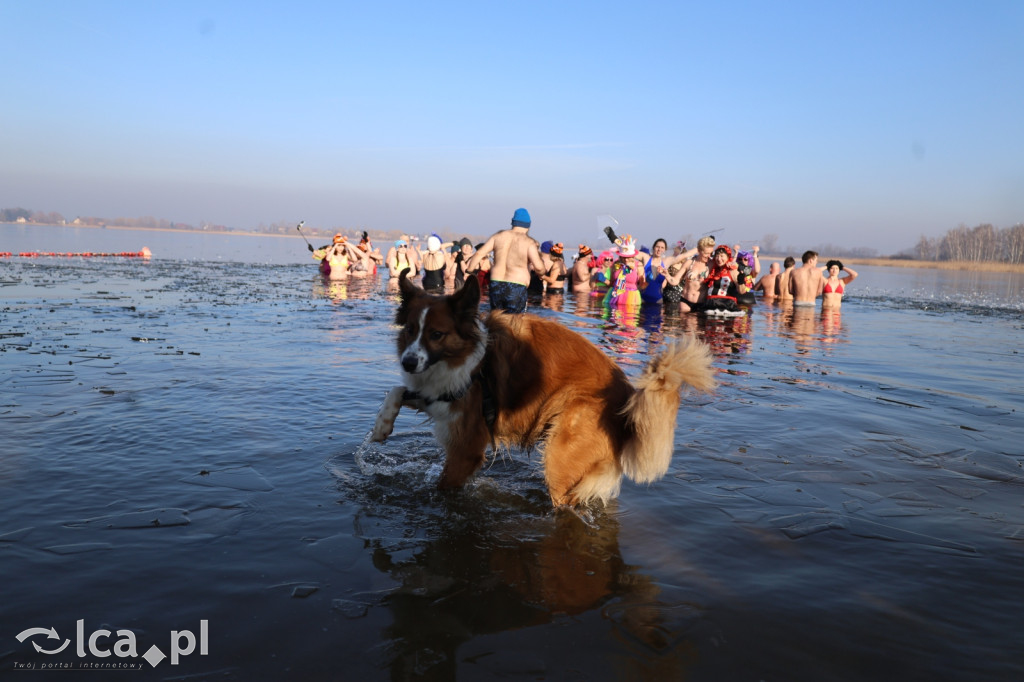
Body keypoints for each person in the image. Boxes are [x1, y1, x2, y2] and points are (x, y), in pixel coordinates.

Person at [465, 208, 545, 314]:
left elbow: (479, 253)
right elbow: (539, 267)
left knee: (496, 321)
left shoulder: (498, 237)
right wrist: (542, 273)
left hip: (496, 285)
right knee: (514, 323)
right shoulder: (528, 242)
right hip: (516, 286)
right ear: (528, 226)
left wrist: (469, 271)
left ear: (513, 223)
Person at [662, 235, 715, 313]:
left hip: (701, 303)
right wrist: (667, 275)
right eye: (707, 253)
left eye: (711, 253)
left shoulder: (712, 265)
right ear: (699, 251)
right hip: (685, 302)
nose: (709, 256)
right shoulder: (689, 263)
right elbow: (675, 281)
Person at [604, 235, 646, 308]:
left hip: (631, 297)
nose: (626, 260)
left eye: (628, 257)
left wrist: (646, 280)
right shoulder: (616, 264)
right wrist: (602, 280)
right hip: (615, 295)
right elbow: (611, 283)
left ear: (633, 256)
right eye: (624, 257)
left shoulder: (638, 265)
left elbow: (642, 286)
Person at [701, 245, 741, 314]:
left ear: (728, 257)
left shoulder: (733, 271)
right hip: (709, 305)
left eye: (722, 256)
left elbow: (741, 291)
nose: (719, 259)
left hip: (726, 306)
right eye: (717, 256)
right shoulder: (713, 270)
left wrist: (741, 280)